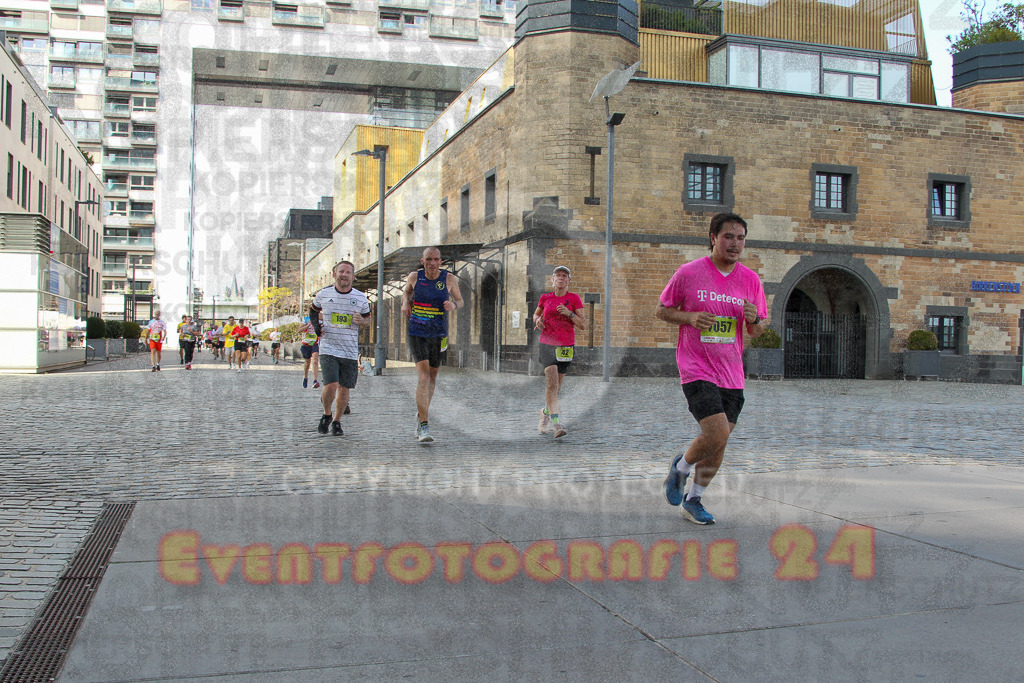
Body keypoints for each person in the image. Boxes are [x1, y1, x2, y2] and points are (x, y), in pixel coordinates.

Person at [656, 213, 768, 525]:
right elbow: (662, 310)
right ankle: (680, 468)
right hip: (696, 366)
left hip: (731, 371)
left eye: (741, 237)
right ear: (713, 237)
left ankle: (694, 500)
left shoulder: (751, 280)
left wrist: (754, 319)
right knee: (716, 431)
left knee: (719, 441)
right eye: (729, 236)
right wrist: (690, 318)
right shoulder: (689, 273)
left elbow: (758, 332)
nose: (735, 243)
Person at [401, 246, 464, 443]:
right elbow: (406, 293)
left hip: (439, 334)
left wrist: (453, 305)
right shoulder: (414, 277)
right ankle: (425, 426)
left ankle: (421, 415)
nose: (432, 263)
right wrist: (405, 303)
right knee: (424, 377)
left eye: (436, 259)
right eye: (429, 259)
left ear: (440, 261)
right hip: (418, 332)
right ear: (423, 261)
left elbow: (460, 300)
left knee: (433, 377)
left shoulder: (449, 279)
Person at [309, 261, 371, 436]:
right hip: (329, 347)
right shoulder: (324, 294)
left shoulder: (360, 297)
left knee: (344, 388)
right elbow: (313, 311)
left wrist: (362, 321)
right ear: (334, 274)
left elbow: (368, 319)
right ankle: (326, 414)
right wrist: (316, 326)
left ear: (353, 276)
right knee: (332, 384)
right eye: (341, 271)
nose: (344, 274)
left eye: (348, 272)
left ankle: (337, 421)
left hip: (350, 350)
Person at [533, 266, 585, 439]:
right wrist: (538, 320)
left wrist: (569, 313)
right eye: (558, 276)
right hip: (547, 343)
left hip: (566, 346)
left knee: (557, 387)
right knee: (552, 384)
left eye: (564, 276)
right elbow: (536, 315)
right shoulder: (545, 298)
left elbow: (583, 325)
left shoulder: (574, 299)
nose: (561, 278)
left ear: (569, 280)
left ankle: (544, 412)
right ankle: (556, 424)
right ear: (553, 280)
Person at [298, 314, 321, 389]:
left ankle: (315, 380)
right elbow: (299, 330)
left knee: (315, 360)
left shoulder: (320, 319)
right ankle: (305, 377)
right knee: (307, 362)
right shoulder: (306, 319)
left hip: (315, 343)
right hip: (306, 343)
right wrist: (307, 326)